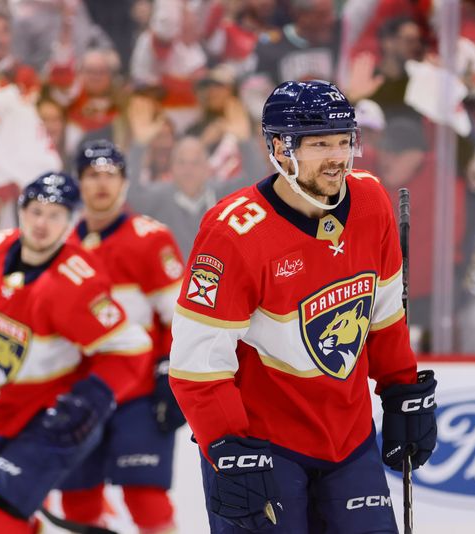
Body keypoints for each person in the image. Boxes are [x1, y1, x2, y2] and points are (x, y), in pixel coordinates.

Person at [168, 80, 438, 533]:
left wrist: (401, 389)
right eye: (319, 145)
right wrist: (226, 446)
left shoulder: (371, 202)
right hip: (265, 447)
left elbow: (386, 316)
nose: (337, 157)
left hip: (349, 439)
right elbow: (198, 362)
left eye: (343, 141)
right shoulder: (234, 232)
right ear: (279, 147)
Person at [0, 172, 151, 533]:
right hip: (7, 409)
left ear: (70, 222)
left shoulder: (76, 281)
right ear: (20, 211)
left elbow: (132, 348)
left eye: (55, 215)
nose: (42, 223)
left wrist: (92, 398)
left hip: (55, 418)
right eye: (36, 211)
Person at [58, 140, 185, 532]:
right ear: (78, 183)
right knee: (77, 502)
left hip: (140, 394)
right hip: (79, 394)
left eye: (110, 175)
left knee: (145, 499)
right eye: (92, 175)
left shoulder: (150, 238)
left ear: (126, 183)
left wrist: (171, 372)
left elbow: (180, 316)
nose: (101, 184)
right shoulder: (60, 245)